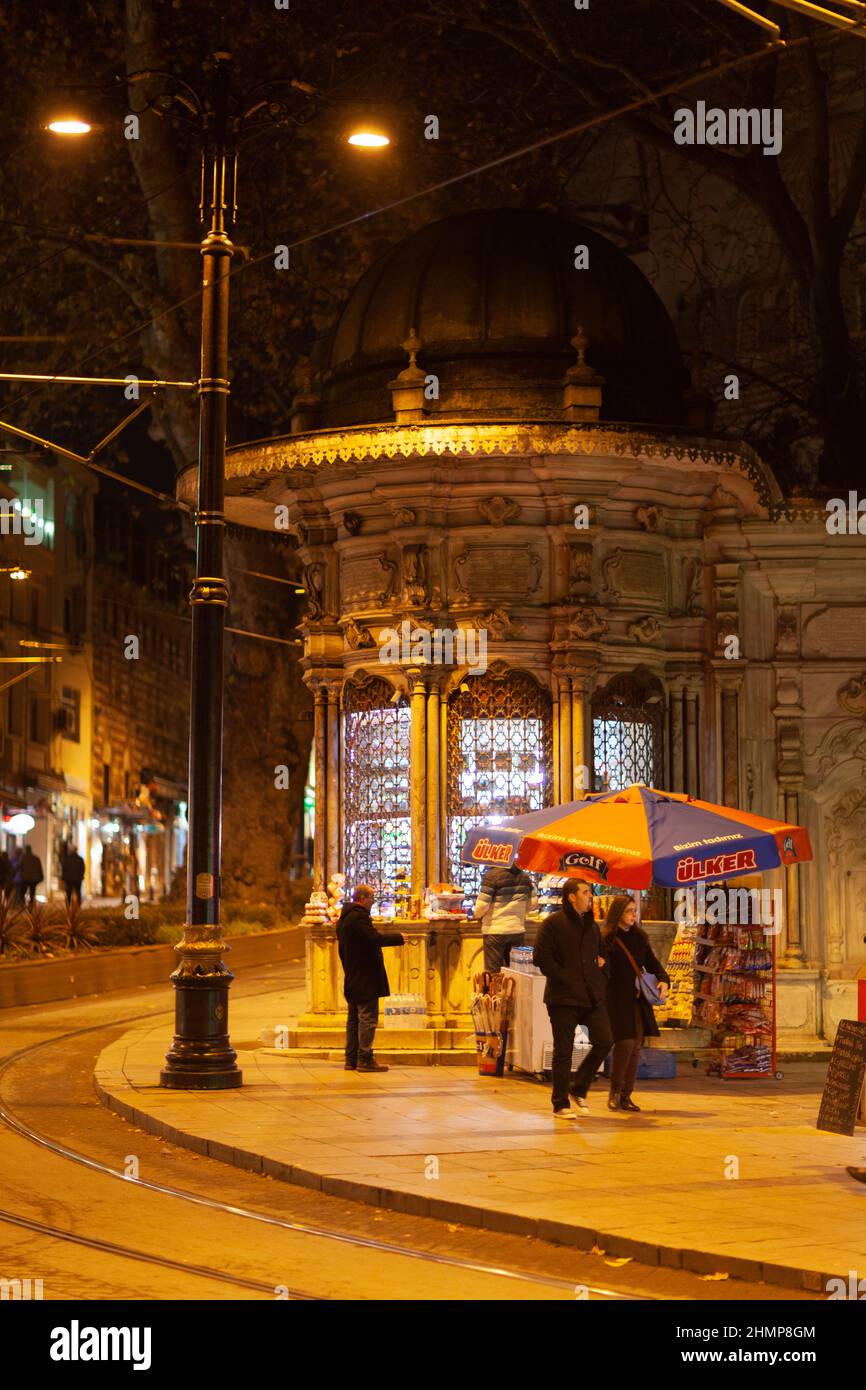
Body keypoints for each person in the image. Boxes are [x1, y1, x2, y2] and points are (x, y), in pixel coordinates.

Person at [533, 879, 613, 1119]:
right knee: (564, 1050)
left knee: (604, 1040)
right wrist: (565, 978)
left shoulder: (591, 926)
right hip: (563, 997)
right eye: (586, 892)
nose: (591, 897)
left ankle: (578, 1086)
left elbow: (601, 955)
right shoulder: (553, 924)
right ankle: (560, 1103)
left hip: (590, 996)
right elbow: (541, 957)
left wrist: (601, 969)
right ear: (571, 896)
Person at [602, 895, 670, 1113]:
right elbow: (602, 971)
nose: (634, 914)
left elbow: (653, 964)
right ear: (618, 913)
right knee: (625, 1043)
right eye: (630, 910)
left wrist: (663, 980)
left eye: (634, 910)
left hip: (638, 1000)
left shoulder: (640, 938)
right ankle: (615, 1091)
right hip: (616, 1000)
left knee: (636, 1046)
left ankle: (626, 1094)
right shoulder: (607, 939)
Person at [336, 883, 405, 1073]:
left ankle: (351, 1059)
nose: (372, 903)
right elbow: (374, 939)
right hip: (365, 976)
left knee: (353, 1019)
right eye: (371, 899)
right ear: (364, 898)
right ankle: (365, 1059)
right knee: (367, 1018)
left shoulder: (343, 919)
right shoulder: (359, 917)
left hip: (352, 975)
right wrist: (399, 938)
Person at [472, 862, 538, 973]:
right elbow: (533, 903)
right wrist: (520, 913)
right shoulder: (525, 877)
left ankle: (496, 991)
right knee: (515, 972)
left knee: (493, 972)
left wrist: (476, 915)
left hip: (495, 931)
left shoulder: (491, 876)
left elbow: (482, 906)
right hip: (517, 929)